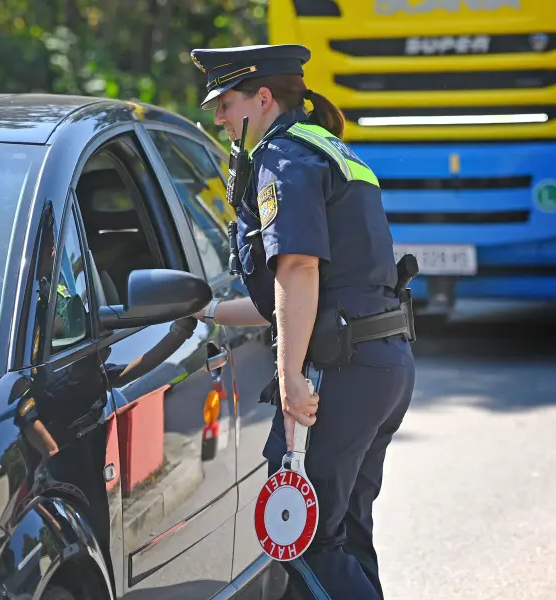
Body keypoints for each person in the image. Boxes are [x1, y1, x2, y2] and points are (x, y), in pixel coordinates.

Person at [189, 44, 417, 599]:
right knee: (345, 534)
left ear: (262, 99)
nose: (217, 117)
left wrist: (290, 377)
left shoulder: (282, 159)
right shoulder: (328, 148)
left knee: (301, 538)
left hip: (338, 372)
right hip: (383, 363)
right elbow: (298, 295)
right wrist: (207, 310)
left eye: (225, 102)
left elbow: (298, 269)